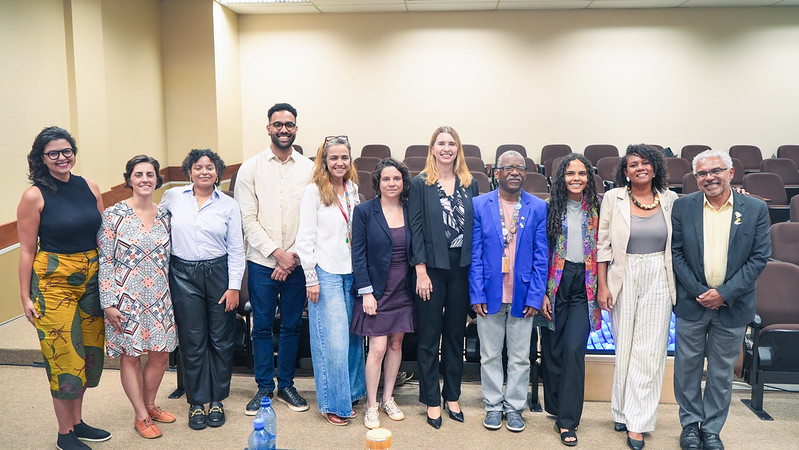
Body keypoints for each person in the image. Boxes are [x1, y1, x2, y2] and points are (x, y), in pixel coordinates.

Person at [17, 126, 111, 450]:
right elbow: (27, 249)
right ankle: (63, 433)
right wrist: (25, 296)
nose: (62, 158)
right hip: (53, 282)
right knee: (63, 357)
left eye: (67, 150)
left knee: (88, 355)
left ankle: (78, 422)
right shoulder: (35, 195)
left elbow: (104, 236)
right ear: (41, 158)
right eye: (53, 153)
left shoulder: (90, 186)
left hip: (92, 278)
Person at [671, 149, 770, 450]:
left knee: (721, 372)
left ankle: (712, 429)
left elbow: (759, 257)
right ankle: (690, 425)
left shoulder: (754, 208)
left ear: (730, 173)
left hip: (734, 305)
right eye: (702, 173)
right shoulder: (683, 206)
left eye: (715, 171)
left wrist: (724, 293)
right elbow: (675, 253)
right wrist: (700, 291)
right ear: (695, 178)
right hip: (693, 302)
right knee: (686, 369)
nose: (709, 177)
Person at [597, 144, 679, 450]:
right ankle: (621, 410)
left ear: (655, 168)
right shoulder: (612, 198)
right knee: (625, 346)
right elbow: (602, 244)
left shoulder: (671, 199)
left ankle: (638, 423)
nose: (639, 168)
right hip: (623, 272)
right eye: (633, 164)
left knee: (650, 350)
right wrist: (603, 286)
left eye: (645, 163)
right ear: (625, 171)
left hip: (659, 271)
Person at [235, 103, 314, 415]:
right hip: (261, 263)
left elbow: (311, 219)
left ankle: (288, 385)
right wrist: (277, 254)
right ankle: (264, 387)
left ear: (296, 128)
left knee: (293, 326)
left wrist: (291, 258)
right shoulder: (250, 168)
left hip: (296, 263)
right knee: (263, 327)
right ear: (268, 127)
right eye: (278, 124)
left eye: (289, 124)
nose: (284, 129)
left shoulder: (308, 168)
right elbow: (247, 219)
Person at [161, 149, 245, 430]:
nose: (204, 172)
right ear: (189, 172)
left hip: (219, 273)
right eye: (198, 167)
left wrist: (234, 287)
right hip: (183, 274)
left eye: (210, 167)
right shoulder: (173, 198)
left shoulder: (229, 205)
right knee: (193, 340)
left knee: (221, 341)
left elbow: (236, 249)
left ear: (218, 172)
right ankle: (197, 403)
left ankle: (217, 400)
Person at [98, 155, 178, 439]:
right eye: (138, 174)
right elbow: (105, 260)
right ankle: (140, 415)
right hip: (125, 296)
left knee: (161, 353)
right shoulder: (113, 215)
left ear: (157, 179)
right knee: (131, 355)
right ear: (129, 179)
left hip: (159, 295)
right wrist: (108, 302)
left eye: (150, 174)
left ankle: (150, 404)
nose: (145, 179)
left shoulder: (166, 215)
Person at [469, 150, 547, 433]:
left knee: (520, 357)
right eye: (508, 168)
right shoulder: (479, 204)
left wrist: (536, 296)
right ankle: (492, 405)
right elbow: (475, 253)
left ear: (526, 173)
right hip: (489, 293)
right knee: (489, 354)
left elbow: (542, 256)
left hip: (523, 295)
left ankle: (514, 408)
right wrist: (476, 293)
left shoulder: (538, 207)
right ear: (496, 173)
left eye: (520, 168)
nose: (515, 172)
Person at [409, 125, 479, 429]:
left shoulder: (470, 183)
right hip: (431, 269)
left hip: (461, 267)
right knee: (429, 336)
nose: (446, 148)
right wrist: (420, 270)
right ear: (432, 149)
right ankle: (431, 399)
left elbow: (474, 230)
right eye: (441, 143)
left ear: (458, 149)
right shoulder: (420, 183)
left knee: (454, 334)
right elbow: (415, 229)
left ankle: (452, 395)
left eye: (452, 143)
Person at [295, 135, 365, 426]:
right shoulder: (313, 192)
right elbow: (305, 239)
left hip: (352, 273)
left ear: (350, 161)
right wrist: (311, 278)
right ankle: (333, 403)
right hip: (325, 273)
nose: (339, 162)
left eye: (344, 157)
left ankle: (350, 392)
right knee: (332, 342)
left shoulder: (353, 189)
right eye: (333, 158)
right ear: (324, 161)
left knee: (353, 339)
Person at [536, 153, 602, 446]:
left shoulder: (600, 209)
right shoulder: (549, 209)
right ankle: (555, 406)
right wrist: (541, 294)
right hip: (554, 284)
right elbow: (539, 253)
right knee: (552, 351)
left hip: (584, 287)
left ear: (589, 177)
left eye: (582, 173)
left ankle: (568, 421)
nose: (577, 178)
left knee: (575, 350)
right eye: (570, 173)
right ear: (561, 178)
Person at [350, 158, 415, 429]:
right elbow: (358, 254)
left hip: (404, 288)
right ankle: (371, 405)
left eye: (396, 179)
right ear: (377, 183)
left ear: (403, 182)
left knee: (396, 345)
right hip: (376, 289)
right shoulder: (364, 211)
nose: (392, 183)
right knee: (376, 348)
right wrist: (366, 292)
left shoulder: (411, 209)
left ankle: (388, 398)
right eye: (386, 179)